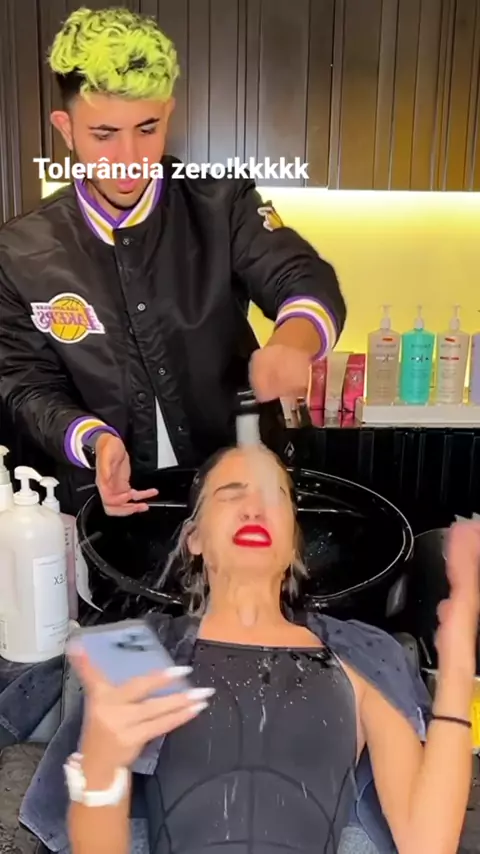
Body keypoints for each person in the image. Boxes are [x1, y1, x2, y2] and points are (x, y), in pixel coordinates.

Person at [0, 6, 346, 517]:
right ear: (66, 128)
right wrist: (92, 439)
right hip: (109, 513)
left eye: (147, 129)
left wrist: (293, 344)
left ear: (168, 113)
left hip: (240, 499)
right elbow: (23, 382)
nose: (129, 157)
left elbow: (301, 275)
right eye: (104, 135)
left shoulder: (220, 206)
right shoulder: (21, 251)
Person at [59, 445, 479, 854]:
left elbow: (427, 843)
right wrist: (100, 764)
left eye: (273, 497)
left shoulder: (364, 656)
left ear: (293, 543)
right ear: (194, 538)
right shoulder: (141, 650)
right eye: (231, 494)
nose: (254, 509)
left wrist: (458, 662)